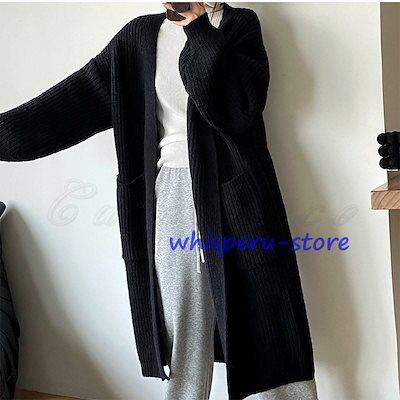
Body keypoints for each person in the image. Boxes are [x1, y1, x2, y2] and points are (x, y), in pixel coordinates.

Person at [0, 3, 318, 399]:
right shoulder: (136, 39)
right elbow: (65, 107)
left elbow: (238, 111)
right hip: (172, 196)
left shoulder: (238, 25)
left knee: (267, 315)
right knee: (181, 323)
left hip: (238, 197)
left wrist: (198, 30)